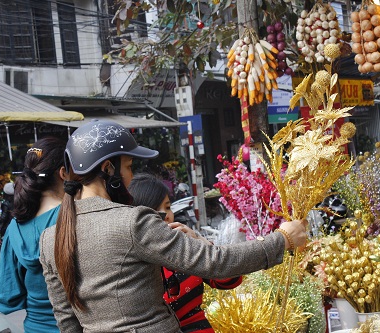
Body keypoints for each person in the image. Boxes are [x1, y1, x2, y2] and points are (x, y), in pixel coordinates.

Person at [39, 119, 307, 333]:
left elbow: (67, 320)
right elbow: (214, 262)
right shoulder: (132, 221)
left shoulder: (50, 238)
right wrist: (282, 239)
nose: (131, 176)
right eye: (129, 166)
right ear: (108, 169)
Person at [128, 173, 243, 333]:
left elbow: (230, 280)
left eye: (168, 207)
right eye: (156, 209)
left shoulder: (183, 248)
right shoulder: (130, 261)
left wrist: (200, 242)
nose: (166, 215)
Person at [0, 136, 67, 333]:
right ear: (64, 173)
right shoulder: (72, 217)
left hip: (34, 328)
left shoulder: (15, 227)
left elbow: (5, 297)